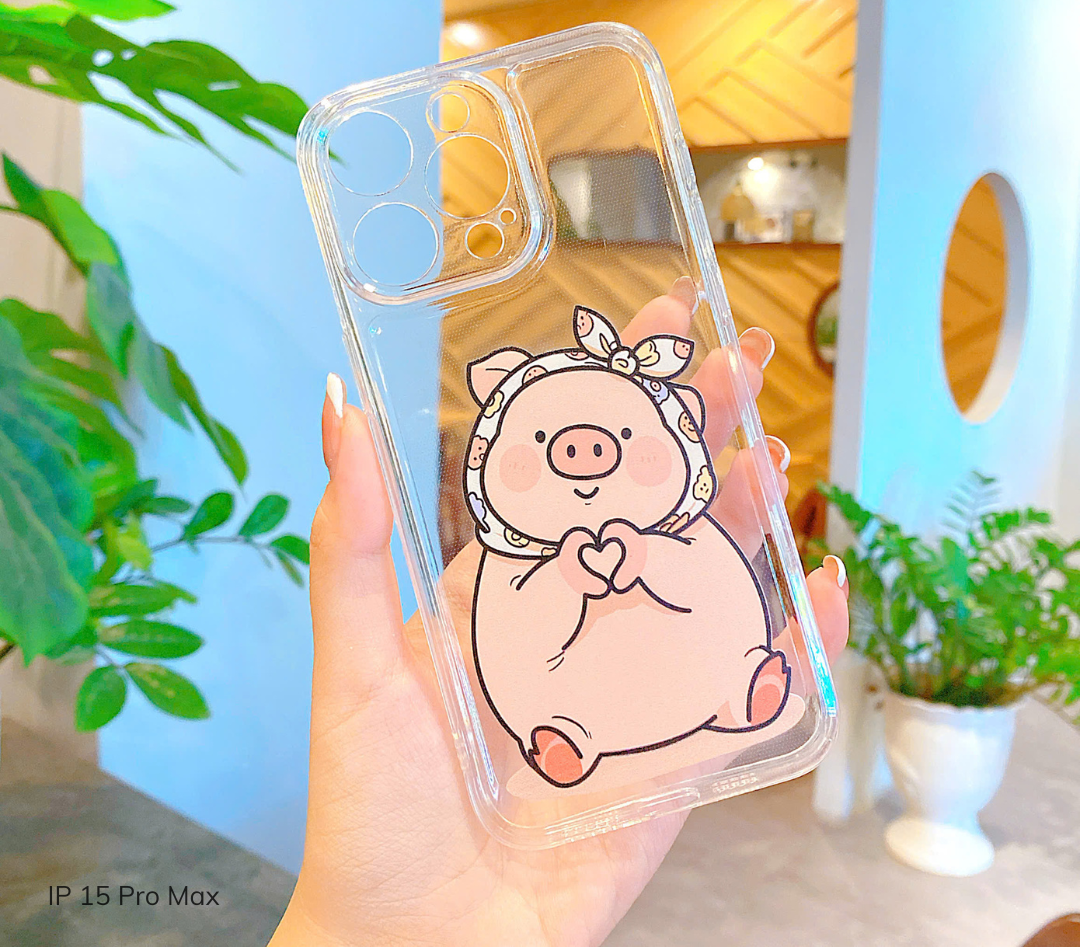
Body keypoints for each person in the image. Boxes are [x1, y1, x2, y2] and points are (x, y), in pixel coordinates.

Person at [270, 288, 850, 947]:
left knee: (711, 598)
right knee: (537, 662)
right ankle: (569, 733)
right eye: (543, 441)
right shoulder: (509, 575)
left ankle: (738, 676)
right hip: (552, 706)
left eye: (623, 437)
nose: (585, 453)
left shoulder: (679, 531)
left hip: (674, 655)